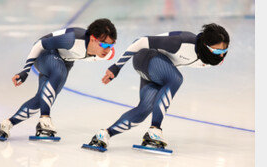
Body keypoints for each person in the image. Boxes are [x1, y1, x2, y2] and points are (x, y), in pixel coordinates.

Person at [87, 23, 230, 149]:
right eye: (217, 51)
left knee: (144, 108)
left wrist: (217, 54)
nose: (221, 56)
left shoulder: (208, 59)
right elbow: (140, 41)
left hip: (157, 69)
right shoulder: (181, 42)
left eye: (224, 51)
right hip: (146, 57)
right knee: (176, 79)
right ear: (205, 45)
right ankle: (155, 129)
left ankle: (104, 135)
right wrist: (116, 67)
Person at [0, 18, 117, 140]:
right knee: (58, 72)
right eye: (104, 45)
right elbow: (40, 45)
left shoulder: (106, 54)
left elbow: (115, 60)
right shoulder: (72, 39)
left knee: (43, 99)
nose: (108, 49)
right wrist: (25, 70)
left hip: (65, 61)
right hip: (46, 53)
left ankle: (6, 125)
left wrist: (114, 70)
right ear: (93, 39)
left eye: (111, 45)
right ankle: (45, 119)